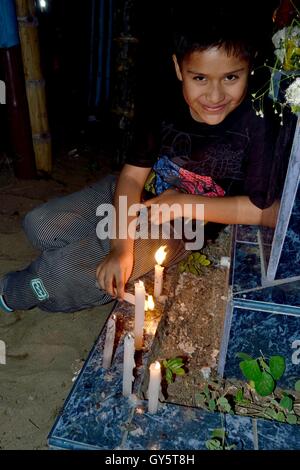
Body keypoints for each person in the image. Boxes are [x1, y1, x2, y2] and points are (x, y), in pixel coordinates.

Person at [0, 4, 280, 315]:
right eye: (199, 78)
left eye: (231, 77)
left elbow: (269, 213)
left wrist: (184, 204)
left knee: (59, 274)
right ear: (178, 68)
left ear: (249, 68)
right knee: (39, 225)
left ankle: (27, 287)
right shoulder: (163, 103)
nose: (215, 96)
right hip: (138, 197)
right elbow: (132, 178)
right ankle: (93, 251)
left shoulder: (258, 121)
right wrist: (121, 247)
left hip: (185, 227)